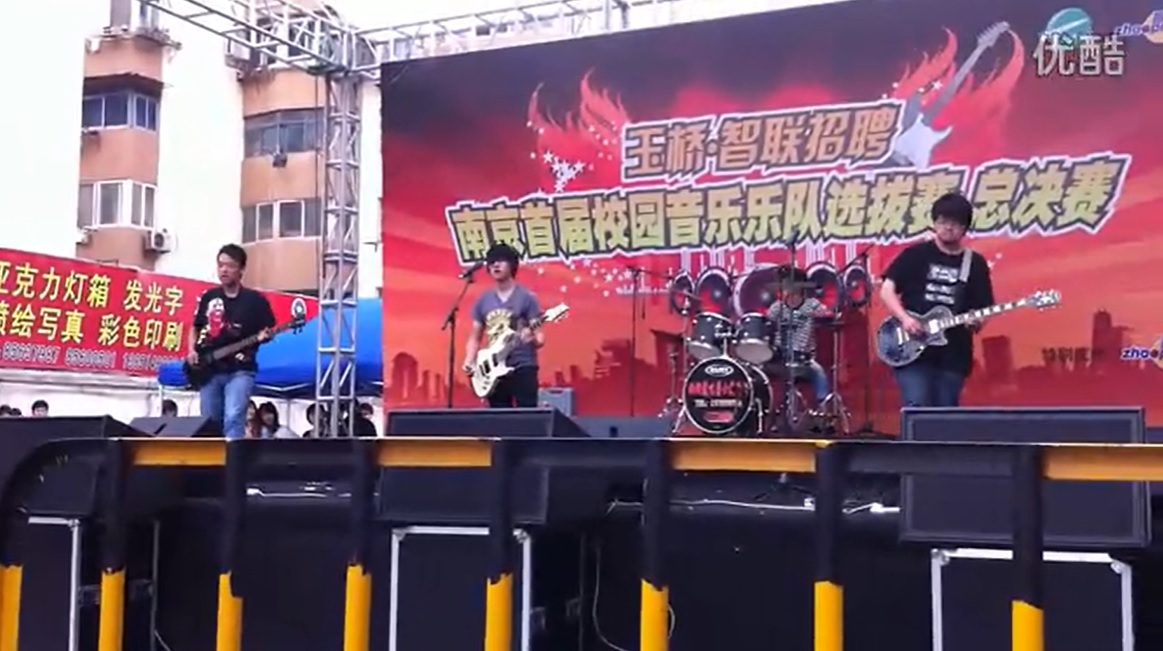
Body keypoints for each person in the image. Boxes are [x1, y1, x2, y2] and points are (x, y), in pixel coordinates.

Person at [879, 192, 994, 407]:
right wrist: (905, 319)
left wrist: (977, 321)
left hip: (954, 353)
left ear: (965, 228)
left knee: (945, 412)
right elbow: (887, 289)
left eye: (955, 223)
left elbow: (984, 305)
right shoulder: (915, 254)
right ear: (934, 223)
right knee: (917, 404)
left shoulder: (974, 263)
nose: (948, 227)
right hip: (912, 348)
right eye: (943, 221)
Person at [187, 244, 276, 440]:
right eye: (220, 265)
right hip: (209, 370)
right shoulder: (209, 297)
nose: (224, 270)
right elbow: (195, 327)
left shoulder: (255, 301)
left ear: (241, 269)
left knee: (234, 417)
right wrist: (191, 350)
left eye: (230, 266)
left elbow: (269, 330)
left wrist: (265, 337)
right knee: (209, 422)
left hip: (240, 369)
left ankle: (233, 457)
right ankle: (214, 459)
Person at [462, 243, 545, 408]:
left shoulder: (526, 297)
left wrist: (533, 339)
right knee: (499, 416)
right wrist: (469, 360)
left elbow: (541, 338)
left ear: (512, 265)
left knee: (526, 416)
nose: (496, 265)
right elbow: (475, 337)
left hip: (522, 366)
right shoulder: (483, 300)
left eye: (501, 261)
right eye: (492, 262)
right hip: (494, 368)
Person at [765, 268, 831, 401]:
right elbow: (766, 325)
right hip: (780, 357)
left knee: (819, 373)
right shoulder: (777, 307)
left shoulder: (812, 304)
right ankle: (763, 405)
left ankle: (823, 407)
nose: (785, 287)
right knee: (759, 370)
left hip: (804, 359)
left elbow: (829, 314)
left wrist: (823, 314)